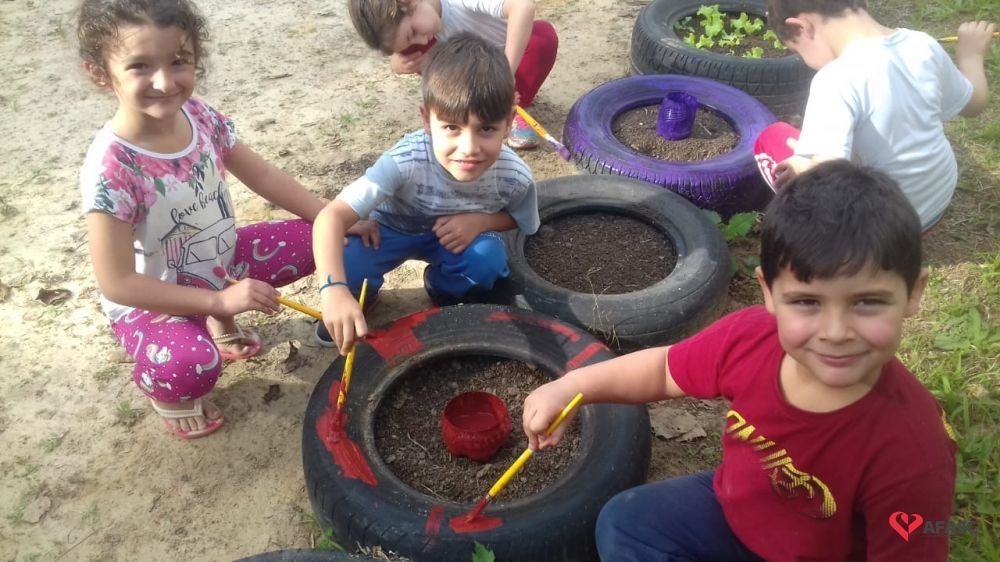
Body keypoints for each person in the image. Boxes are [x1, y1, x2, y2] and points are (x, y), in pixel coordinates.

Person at [522, 160, 957, 561]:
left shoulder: (913, 453)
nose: (836, 332)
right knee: (626, 521)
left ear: (913, 293)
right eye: (807, 302)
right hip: (735, 511)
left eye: (867, 302)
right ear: (769, 292)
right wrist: (571, 387)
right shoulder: (750, 339)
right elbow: (664, 369)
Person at [77, 0, 330, 439]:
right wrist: (219, 303)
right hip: (151, 302)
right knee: (190, 365)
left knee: (321, 238)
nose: (164, 82)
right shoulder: (111, 169)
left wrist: (331, 215)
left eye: (178, 61)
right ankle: (169, 394)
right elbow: (117, 283)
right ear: (100, 73)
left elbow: (264, 176)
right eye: (140, 66)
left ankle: (217, 324)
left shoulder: (199, 115)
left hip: (219, 263)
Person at [312, 32, 539, 355]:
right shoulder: (403, 161)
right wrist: (333, 289)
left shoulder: (515, 175)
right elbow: (330, 217)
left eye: (487, 128)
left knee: (487, 261)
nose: (469, 148)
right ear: (427, 120)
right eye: (452, 127)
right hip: (387, 231)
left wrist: (481, 222)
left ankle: (443, 288)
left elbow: (520, 219)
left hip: (454, 239)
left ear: (509, 121)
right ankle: (360, 296)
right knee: (345, 260)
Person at [753, 0, 994, 232]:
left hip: (874, 232)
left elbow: (828, 177)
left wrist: (802, 164)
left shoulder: (834, 79)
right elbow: (974, 105)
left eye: (797, 50)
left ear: (801, 27)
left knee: (772, 137)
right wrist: (971, 57)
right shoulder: (923, 45)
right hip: (934, 205)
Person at [347, 0, 558, 149]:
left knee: (543, 37)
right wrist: (398, 63)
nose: (421, 40)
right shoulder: (421, 30)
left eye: (413, 33)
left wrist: (506, 74)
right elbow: (403, 47)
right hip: (474, 66)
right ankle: (471, 105)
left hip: (511, 55)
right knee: (411, 53)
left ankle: (512, 107)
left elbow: (523, 7)